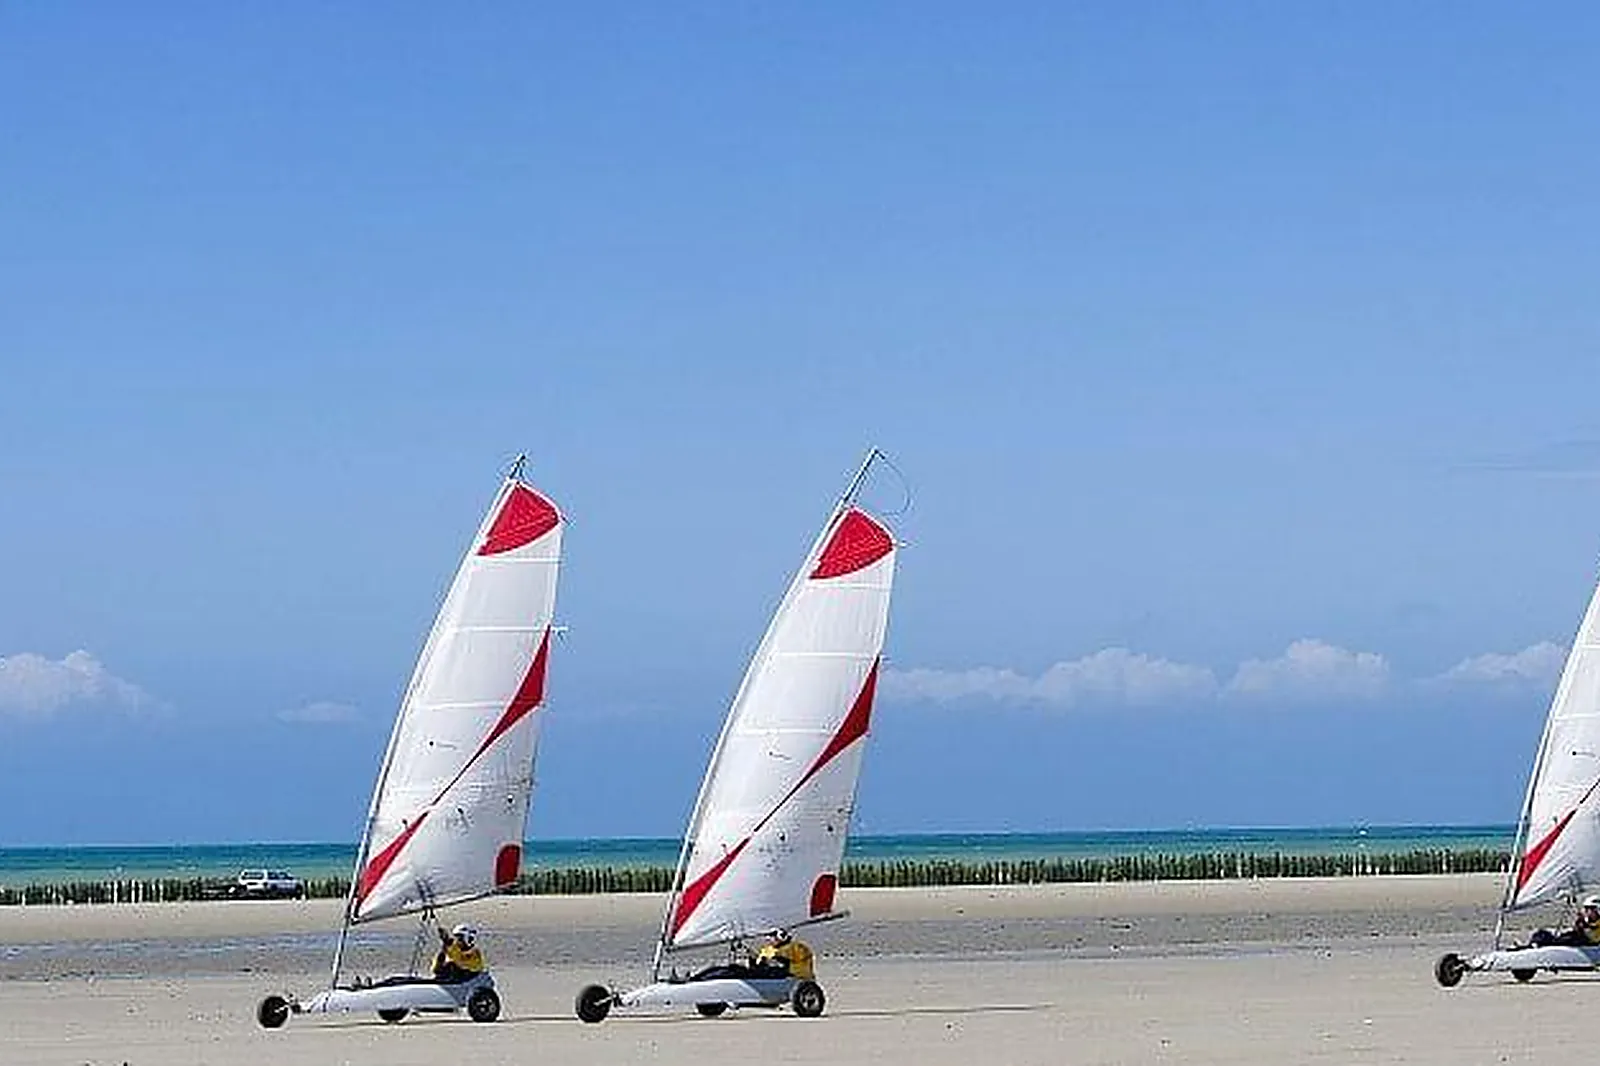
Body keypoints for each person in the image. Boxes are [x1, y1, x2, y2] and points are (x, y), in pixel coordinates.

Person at [1530, 895, 1600, 948]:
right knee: (1543, 934)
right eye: (1586, 909)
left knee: (1568, 939)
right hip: (1578, 939)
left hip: (1586, 944)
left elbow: (1592, 932)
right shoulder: (1587, 920)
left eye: (1590, 909)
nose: (1587, 911)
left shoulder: (1595, 923)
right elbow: (1579, 929)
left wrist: (1583, 924)